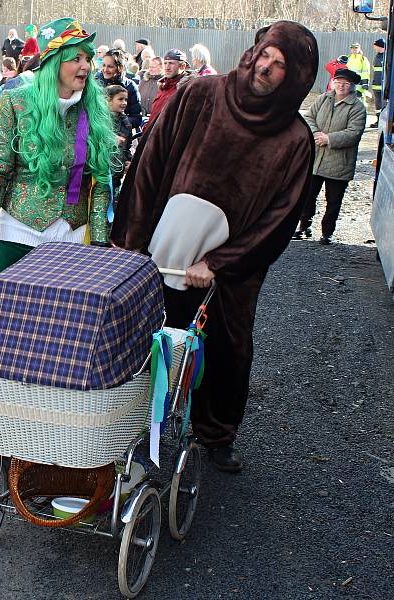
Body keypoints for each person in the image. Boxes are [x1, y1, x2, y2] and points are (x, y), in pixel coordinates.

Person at [111, 21, 319, 472]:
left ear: (298, 77)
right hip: (159, 252)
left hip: (224, 274)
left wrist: (219, 263)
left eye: (280, 64)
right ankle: (126, 423)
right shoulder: (199, 95)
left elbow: (279, 221)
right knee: (140, 340)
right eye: (264, 54)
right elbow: (150, 163)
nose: (265, 66)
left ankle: (216, 434)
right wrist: (130, 242)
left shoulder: (295, 141)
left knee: (227, 350)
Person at [0, 18, 117, 273]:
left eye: (87, 58)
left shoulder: (93, 108)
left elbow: (100, 180)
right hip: (20, 234)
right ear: (53, 63)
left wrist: (99, 236)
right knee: (16, 312)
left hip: (75, 237)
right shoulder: (15, 101)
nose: (86, 66)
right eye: (76, 59)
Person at [295, 68, 366, 244]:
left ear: (352, 86)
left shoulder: (357, 107)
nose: (341, 86)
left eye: (345, 84)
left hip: (339, 162)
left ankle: (327, 233)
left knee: (333, 200)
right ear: (333, 83)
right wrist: (316, 134)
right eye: (338, 82)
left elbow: (354, 133)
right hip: (316, 158)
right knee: (308, 196)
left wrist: (329, 139)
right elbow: (309, 117)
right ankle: (304, 227)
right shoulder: (323, 99)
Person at [95, 47, 143, 127]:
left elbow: (136, 118)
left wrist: (117, 122)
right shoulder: (96, 84)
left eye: (110, 66)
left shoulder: (130, 87)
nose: (105, 69)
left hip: (120, 136)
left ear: (120, 68)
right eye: (103, 65)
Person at [147, 48, 191, 125]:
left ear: (182, 66)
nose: (167, 67)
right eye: (165, 63)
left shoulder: (186, 89)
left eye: (171, 63)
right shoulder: (163, 86)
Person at [106, 84, 132, 191]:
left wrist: (128, 160)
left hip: (117, 174)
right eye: (120, 99)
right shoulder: (101, 121)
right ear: (108, 100)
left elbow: (127, 146)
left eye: (126, 99)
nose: (124, 103)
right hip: (102, 173)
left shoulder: (126, 122)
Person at [371, 38, 386, 121]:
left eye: (376, 46)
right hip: (376, 85)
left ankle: (382, 120)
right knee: (378, 105)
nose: (375, 47)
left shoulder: (387, 57)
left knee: (384, 104)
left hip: (383, 85)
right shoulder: (377, 57)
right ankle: (378, 120)